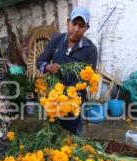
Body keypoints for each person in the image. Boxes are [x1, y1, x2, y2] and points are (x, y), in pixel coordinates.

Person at [37, 6, 98, 135]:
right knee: (52, 134)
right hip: (53, 99)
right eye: (74, 23)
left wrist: (69, 91)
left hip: (73, 101)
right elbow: (40, 61)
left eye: (81, 26)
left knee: (72, 136)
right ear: (67, 21)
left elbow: (88, 80)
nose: (76, 29)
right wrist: (47, 66)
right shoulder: (56, 40)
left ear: (87, 28)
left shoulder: (90, 49)